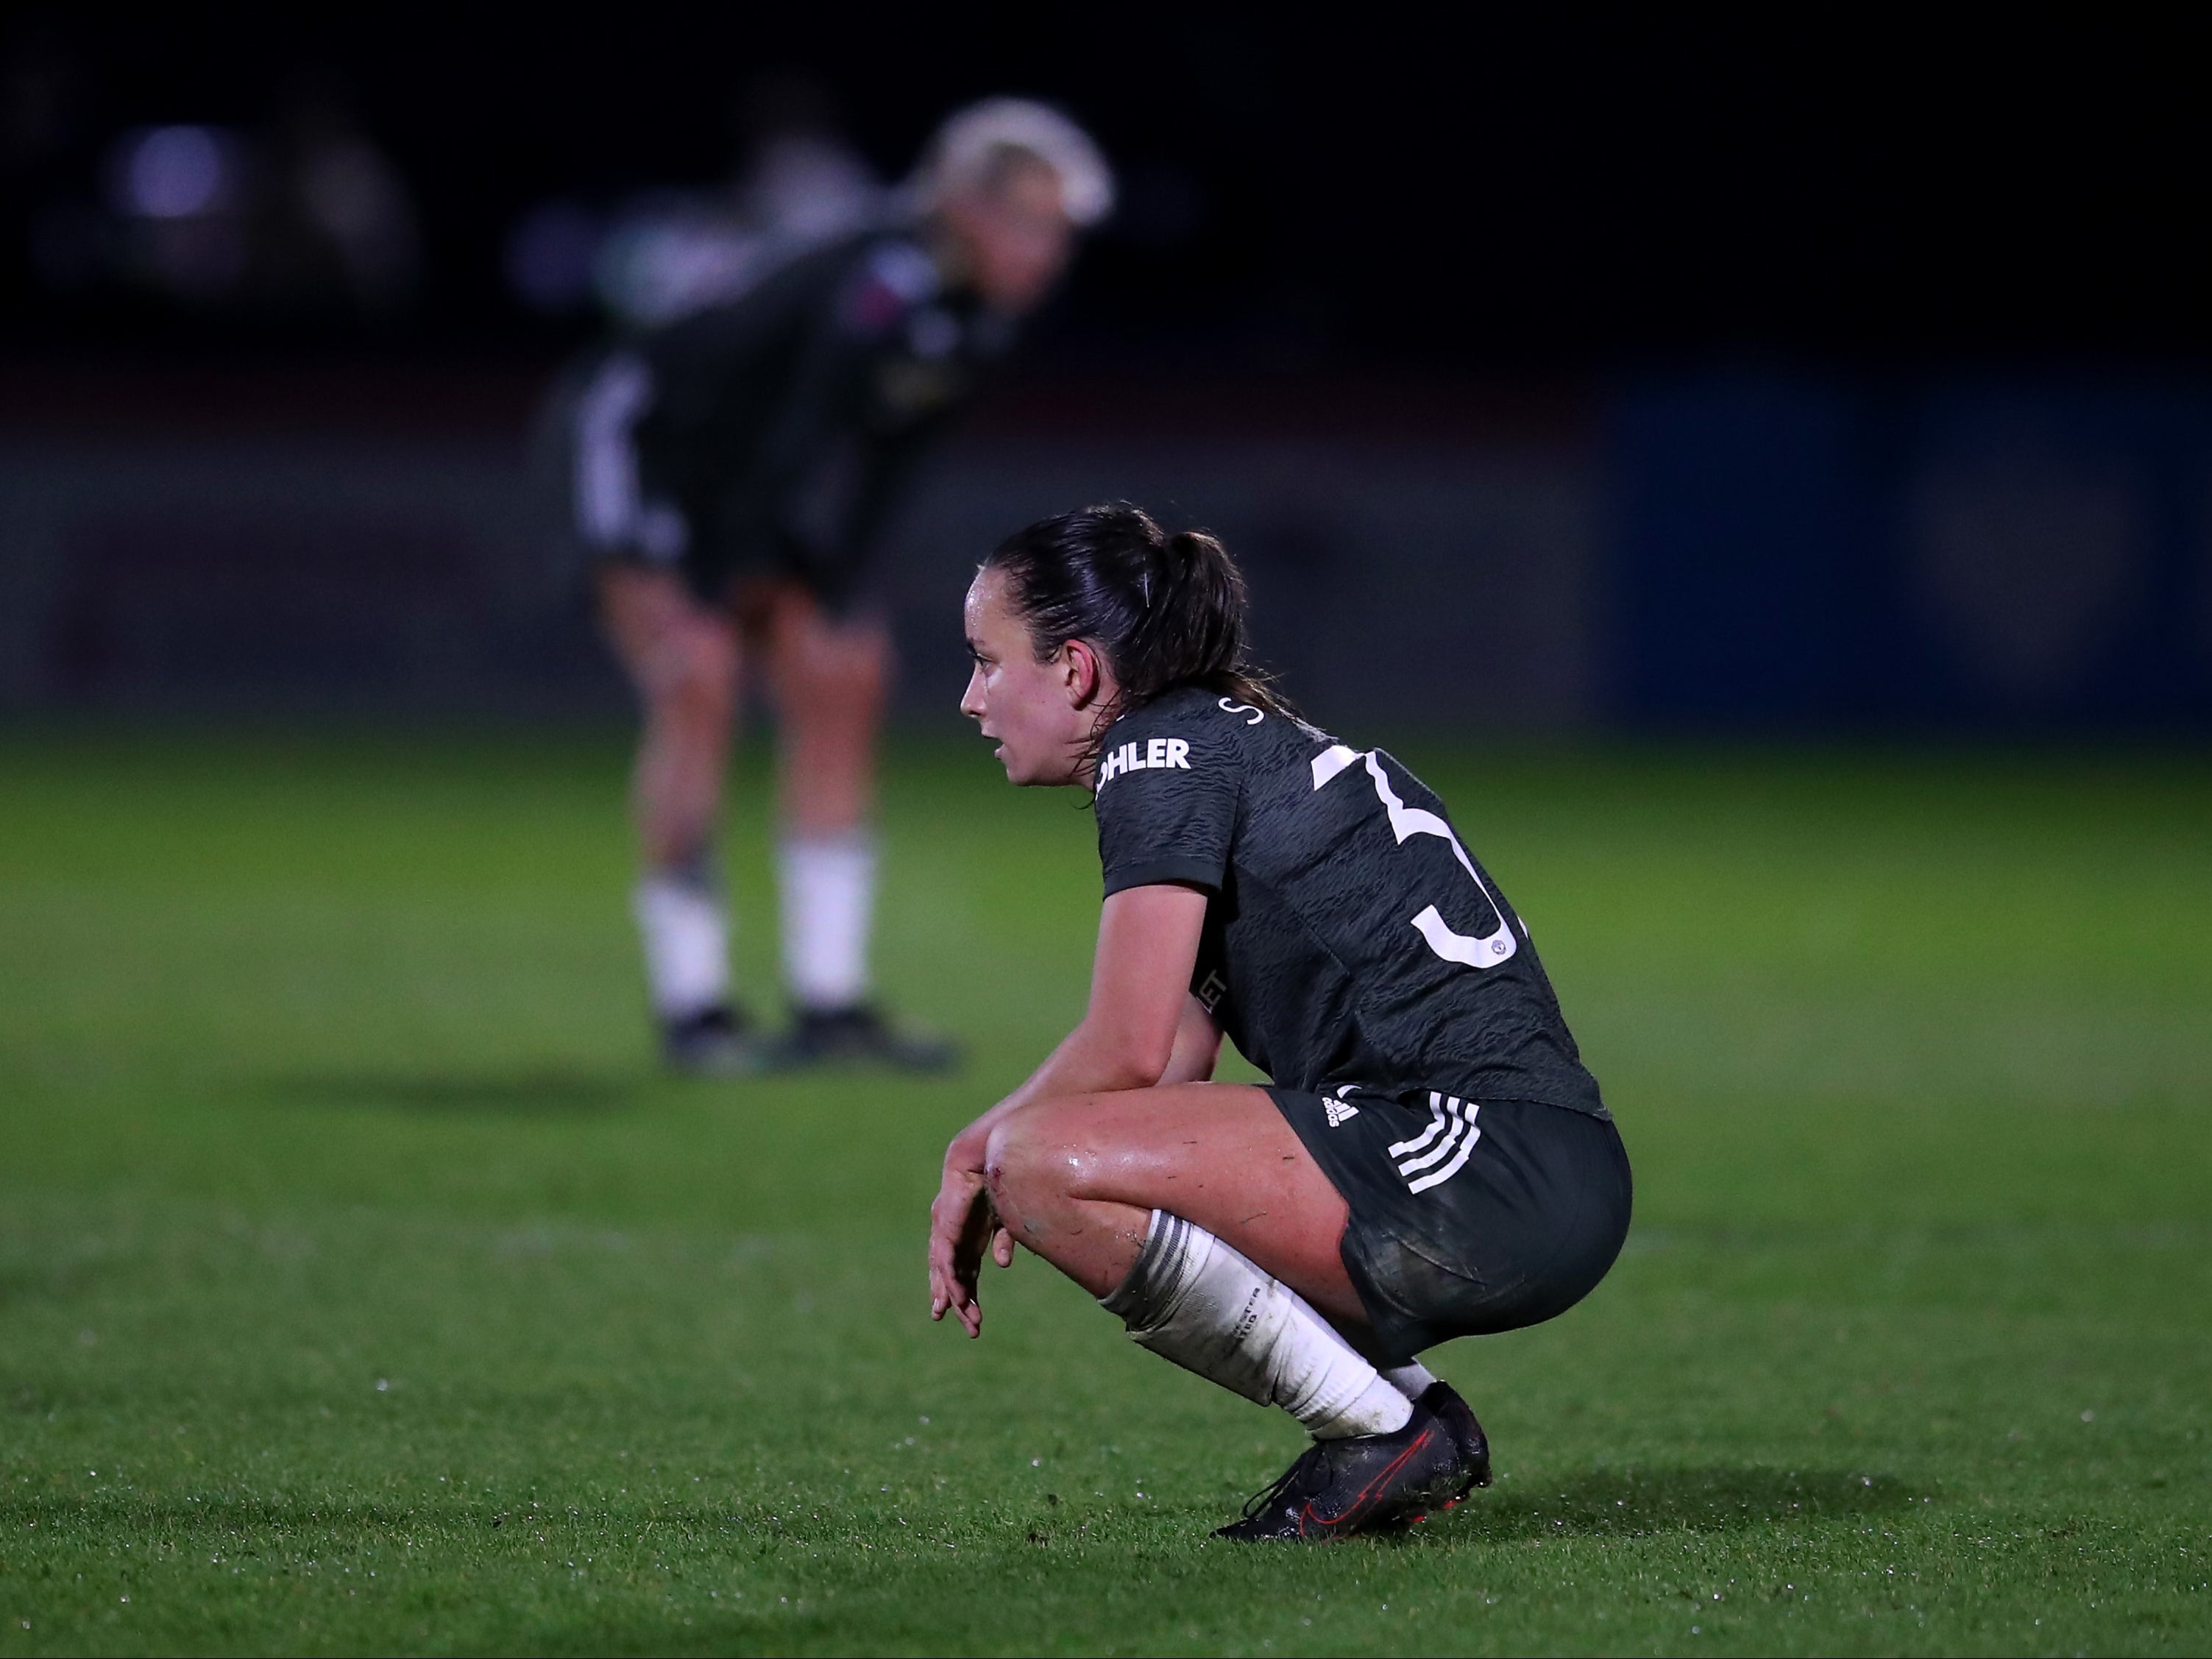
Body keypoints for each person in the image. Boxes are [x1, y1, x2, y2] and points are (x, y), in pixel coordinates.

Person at [930, 505, 1632, 1540]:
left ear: (1075, 668)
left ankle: (1379, 1430)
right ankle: (1402, 1419)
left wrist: (973, 1150)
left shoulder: (1157, 752)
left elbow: (1121, 1049)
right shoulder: (1220, 738)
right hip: (1528, 1165)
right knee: (1069, 1157)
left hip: (1480, 1163)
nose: (969, 698)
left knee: (1036, 1158)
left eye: (987, 662)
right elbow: (1170, 1056)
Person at [555, 100, 1114, 1073]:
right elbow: (788, 427)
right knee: (699, 679)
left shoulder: (975, 310)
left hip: (750, 477)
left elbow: (885, 461)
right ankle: (696, 1010)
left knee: (844, 675)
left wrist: (841, 589)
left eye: (1060, 232)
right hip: (646, 445)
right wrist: (719, 587)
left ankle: (829, 999)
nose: (1048, 252)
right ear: (964, 207)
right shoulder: (883, 280)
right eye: (1030, 222)